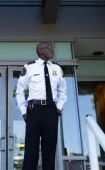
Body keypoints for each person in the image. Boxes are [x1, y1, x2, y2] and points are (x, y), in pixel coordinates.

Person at [15, 42, 67, 170]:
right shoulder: (30, 67)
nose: (51, 50)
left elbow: (62, 90)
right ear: (40, 51)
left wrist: (59, 106)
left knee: (50, 148)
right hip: (34, 109)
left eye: (51, 47)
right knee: (31, 147)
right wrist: (23, 110)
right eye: (48, 48)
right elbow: (20, 91)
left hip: (51, 110)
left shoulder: (56, 68)